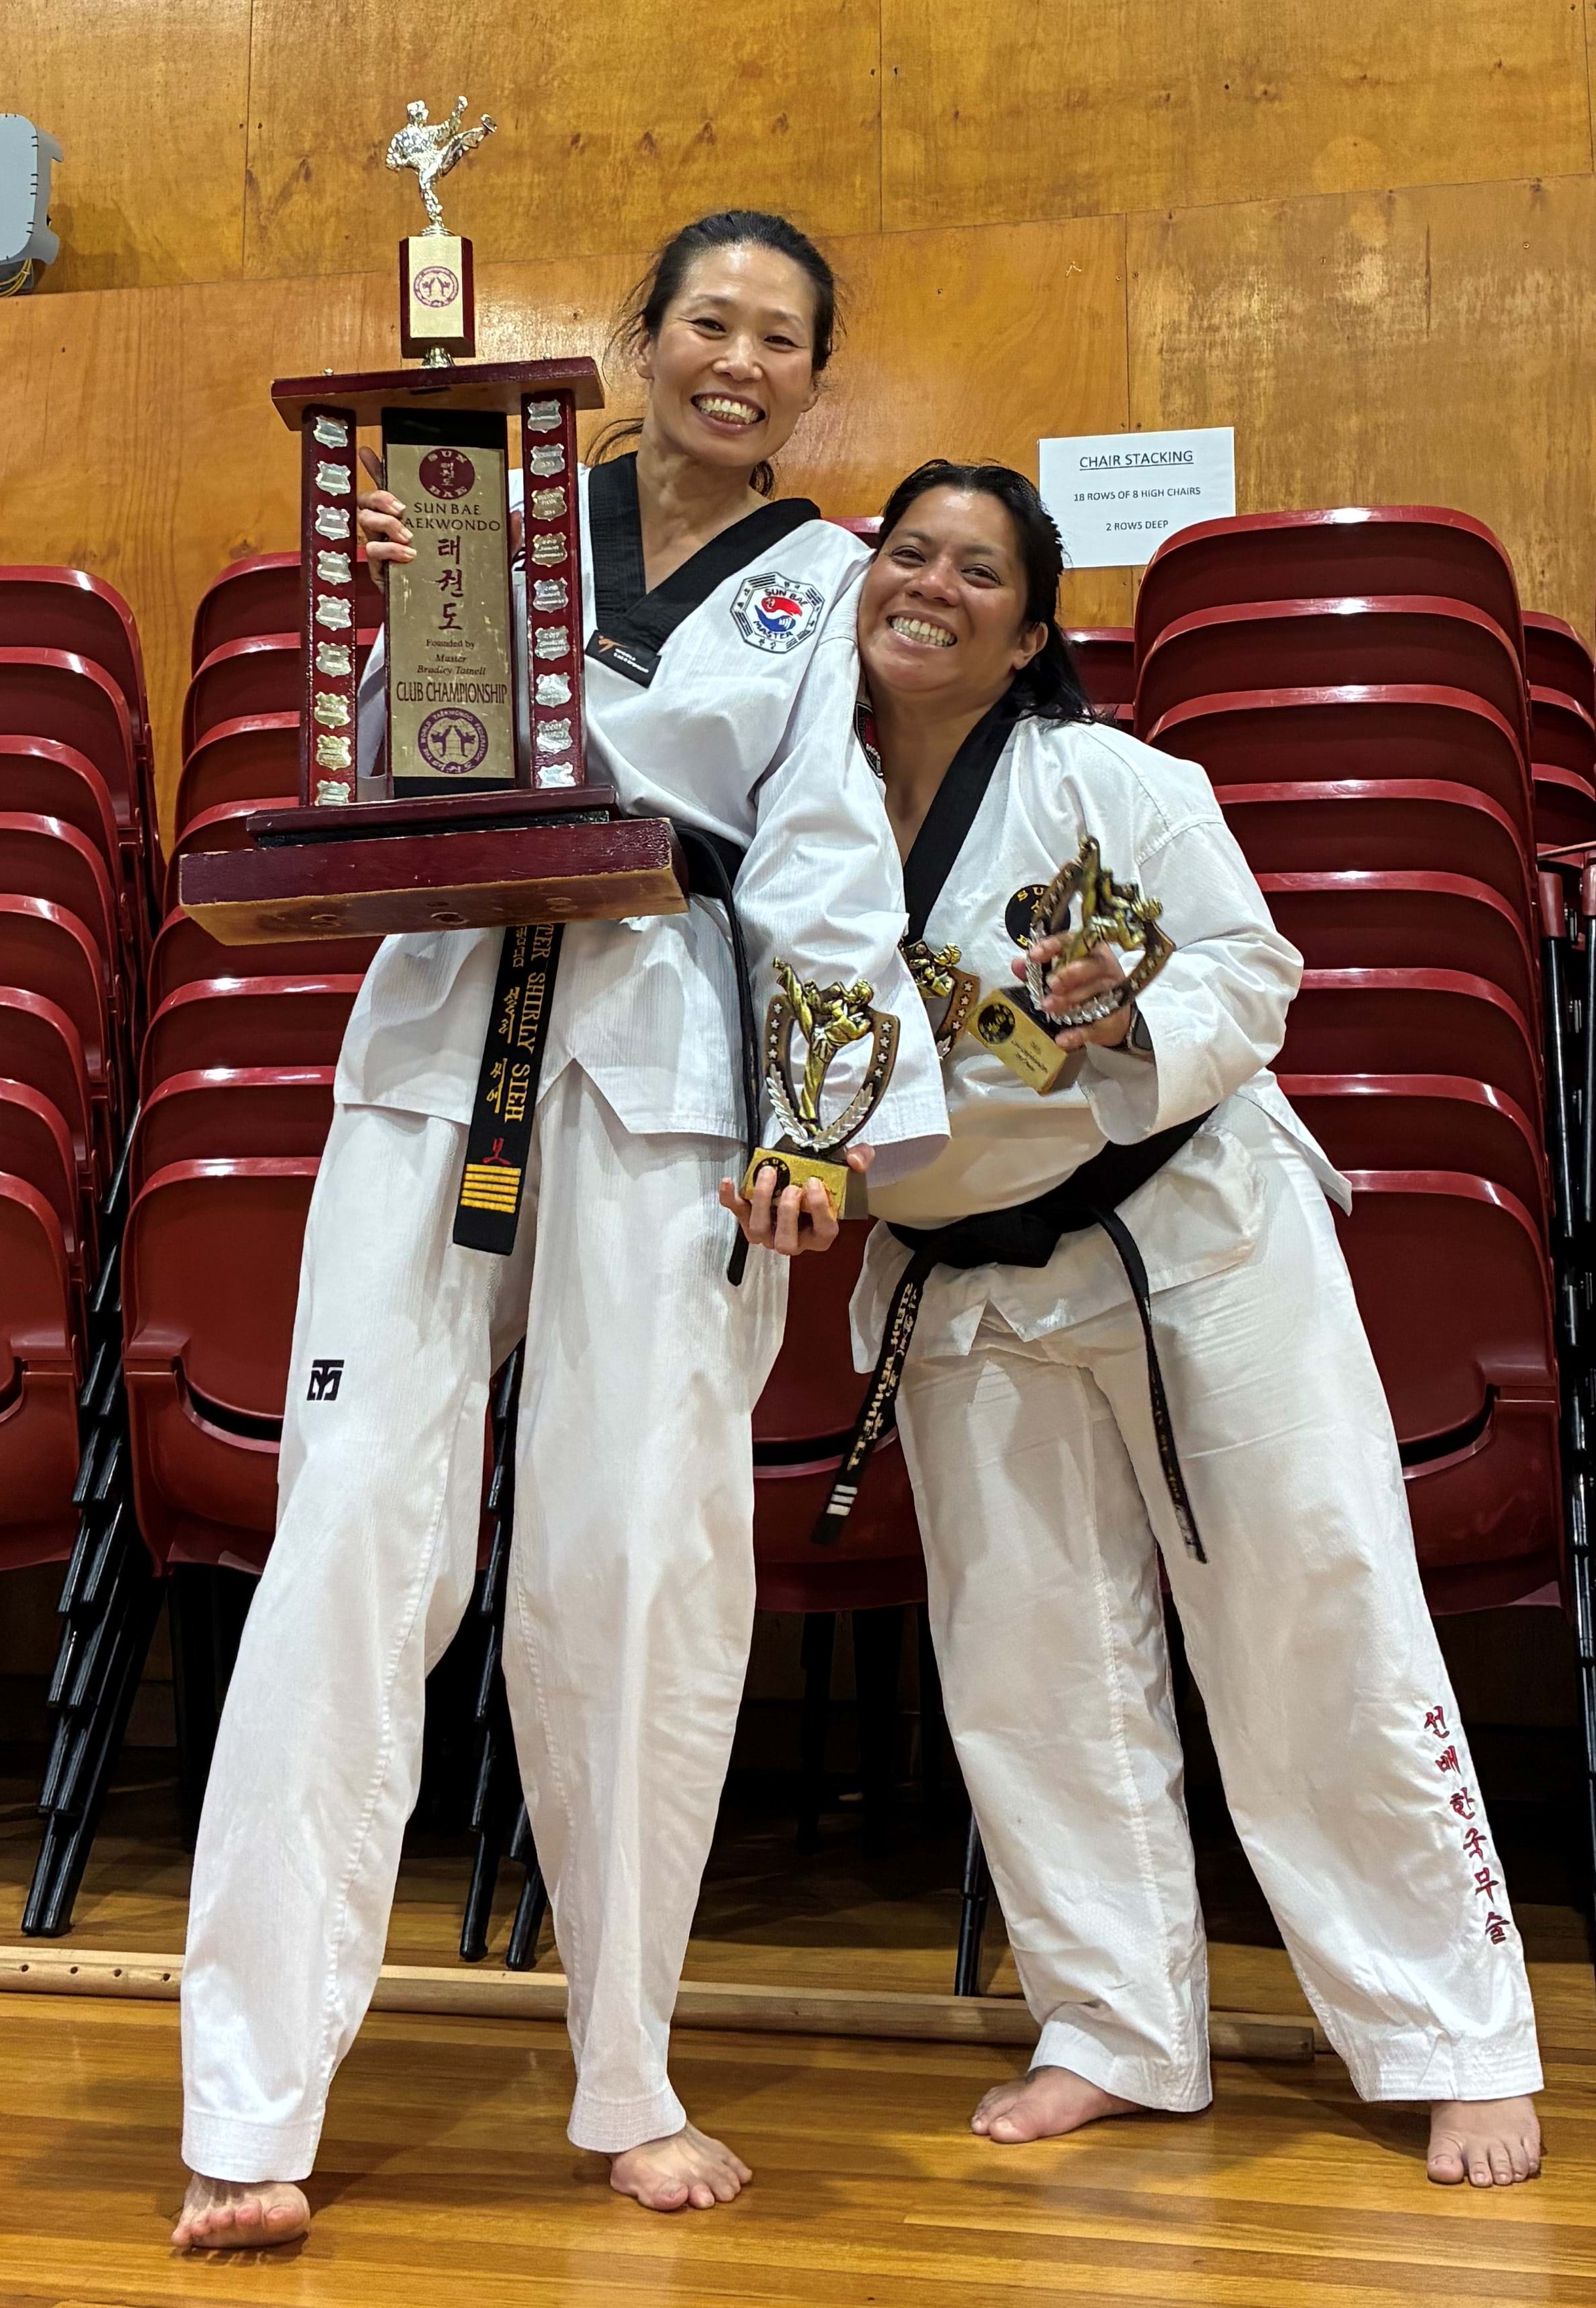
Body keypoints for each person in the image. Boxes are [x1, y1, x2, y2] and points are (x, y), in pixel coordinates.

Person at [172, 214, 948, 2251]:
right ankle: (249, 2102)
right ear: (641, 338)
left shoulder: (824, 582)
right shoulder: (496, 530)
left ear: (811, 380)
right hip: (442, 1028)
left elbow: (826, 869)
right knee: (348, 1530)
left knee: (636, 1560)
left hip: (668, 1066)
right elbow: (382, 760)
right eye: (710, 322)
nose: (740, 362)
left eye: (781, 339)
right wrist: (412, 632)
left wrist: (820, 1126)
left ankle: (629, 2072)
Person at [822, 459, 1542, 2189]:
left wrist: (1129, 1019)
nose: (931, 586)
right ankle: (1114, 2030)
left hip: (1194, 1238)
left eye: (978, 570)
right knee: (1030, 1667)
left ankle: (1449, 2034)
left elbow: (1250, 971)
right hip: (962, 1281)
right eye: (907, 554)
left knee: (1310, 1615)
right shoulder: (798, 819)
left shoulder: (1114, 783)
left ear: (1028, 635)